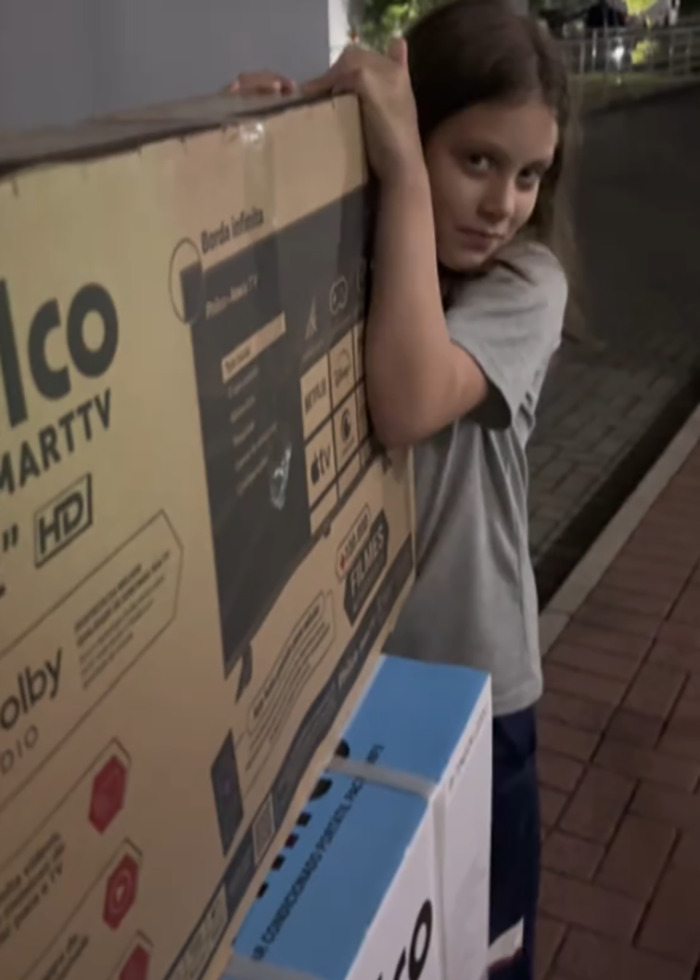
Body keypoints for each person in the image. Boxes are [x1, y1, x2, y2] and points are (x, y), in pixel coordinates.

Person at [231, 2, 573, 976]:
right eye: (474, 160)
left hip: (477, 681)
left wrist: (410, 185)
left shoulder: (527, 284)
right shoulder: (365, 249)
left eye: (528, 173)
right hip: (350, 684)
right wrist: (255, 159)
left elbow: (407, 399)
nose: (502, 201)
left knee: (485, 949)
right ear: (410, 134)